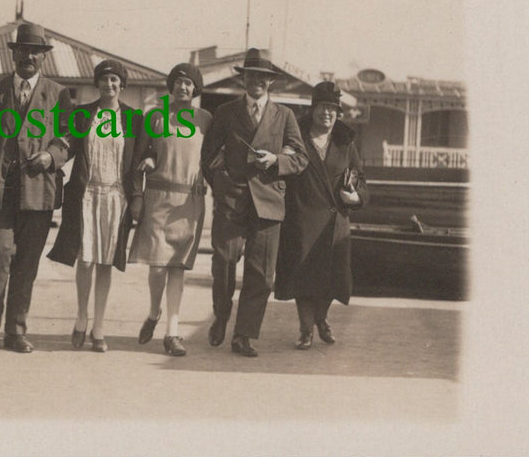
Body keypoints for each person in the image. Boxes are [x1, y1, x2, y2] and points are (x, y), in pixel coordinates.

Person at [0, 22, 73, 353]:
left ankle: (15, 330)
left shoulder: (58, 94)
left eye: (36, 52)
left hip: (39, 190)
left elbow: (69, 138)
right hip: (1, 189)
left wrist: (51, 155)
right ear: (14, 55)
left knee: (27, 262)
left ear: (43, 57)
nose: (29, 56)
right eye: (24, 51)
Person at [200, 48, 308, 357]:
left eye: (263, 77)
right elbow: (208, 158)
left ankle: (243, 335)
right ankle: (221, 315)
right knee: (223, 263)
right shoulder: (226, 112)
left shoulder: (284, 115)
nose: (256, 81)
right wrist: (222, 188)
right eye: (251, 75)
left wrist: (276, 160)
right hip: (232, 202)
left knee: (261, 274)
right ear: (243, 79)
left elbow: (300, 158)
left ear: (270, 82)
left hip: (269, 203)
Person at [47, 59, 143, 353]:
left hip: (117, 197)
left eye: (115, 80)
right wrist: (50, 158)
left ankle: (99, 326)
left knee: (105, 262)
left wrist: (138, 194)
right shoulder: (83, 114)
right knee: (85, 259)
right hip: (86, 194)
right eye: (104, 79)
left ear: (122, 85)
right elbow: (68, 146)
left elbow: (140, 159)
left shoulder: (134, 118)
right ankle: (81, 317)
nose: (109, 85)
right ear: (97, 83)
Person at [128, 63, 213, 357]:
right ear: (171, 86)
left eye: (189, 83)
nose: (183, 88)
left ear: (196, 88)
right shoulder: (154, 116)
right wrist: (137, 195)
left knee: (177, 267)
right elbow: (139, 156)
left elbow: (214, 159)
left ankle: (172, 332)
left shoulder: (206, 120)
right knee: (157, 266)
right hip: (157, 198)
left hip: (190, 201)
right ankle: (154, 312)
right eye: (178, 82)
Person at [275, 81, 368, 349]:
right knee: (302, 277)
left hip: (334, 220)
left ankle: (322, 318)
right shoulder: (296, 137)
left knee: (332, 279)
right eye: (322, 108)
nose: (326, 113)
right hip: (301, 218)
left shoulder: (345, 141)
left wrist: (357, 196)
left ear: (338, 113)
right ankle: (306, 330)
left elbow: (360, 178)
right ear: (312, 109)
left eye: (332, 109)